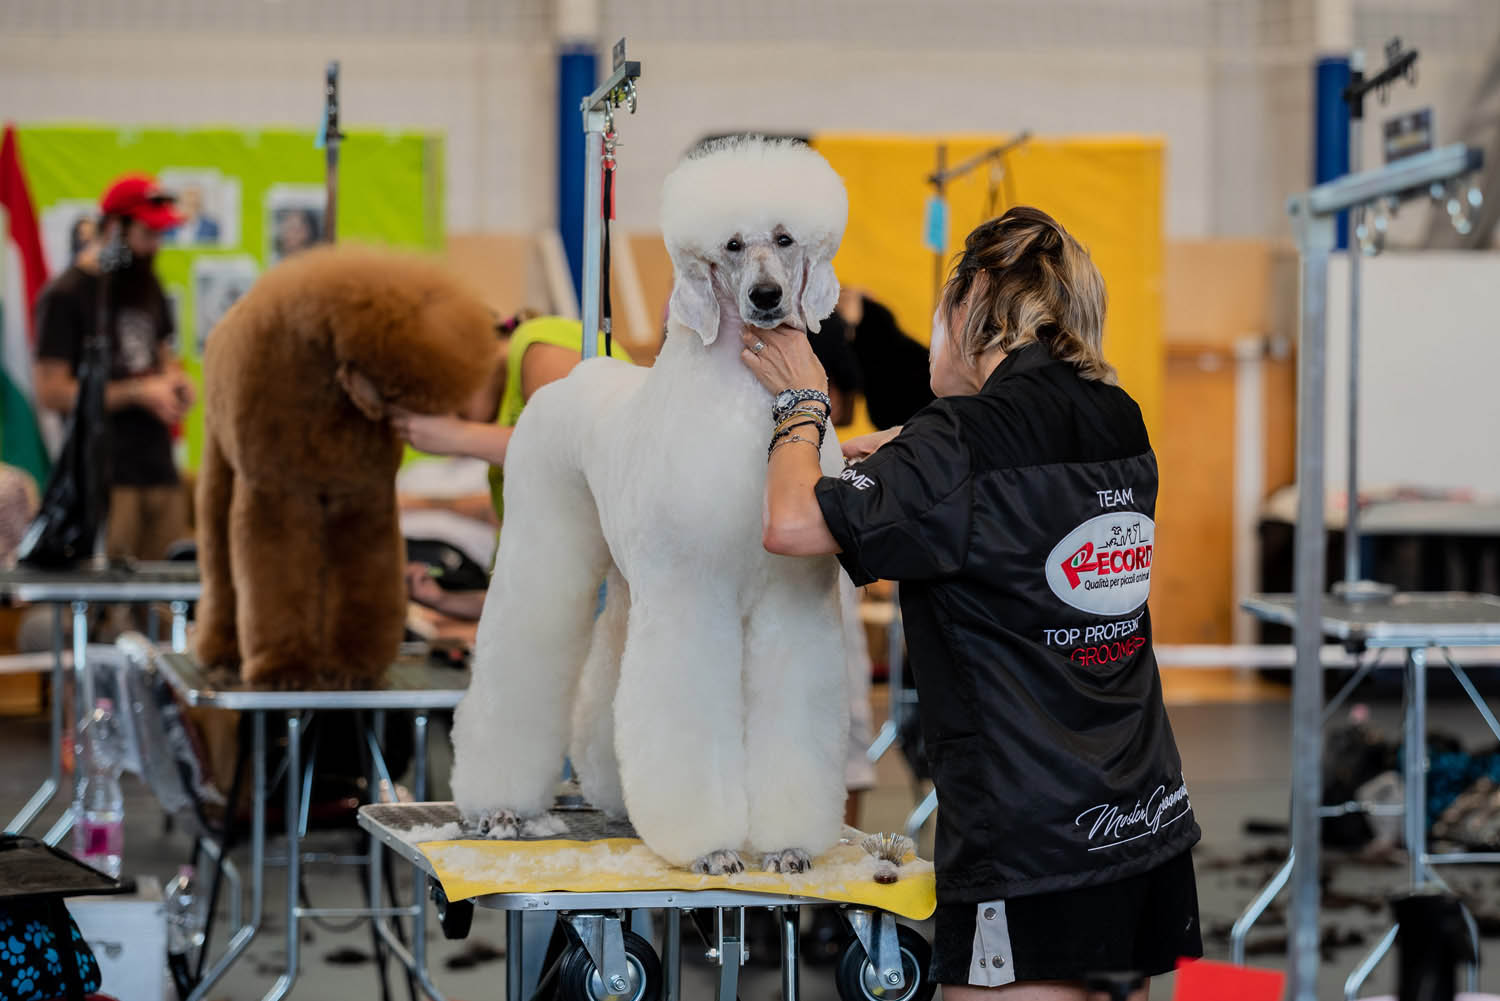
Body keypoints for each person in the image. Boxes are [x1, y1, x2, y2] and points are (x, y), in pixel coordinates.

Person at [740, 206, 1200, 999]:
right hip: (1142, 819)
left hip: (1030, 842)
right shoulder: (1114, 415)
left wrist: (801, 403)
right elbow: (1011, 496)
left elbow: (789, 523)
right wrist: (907, 447)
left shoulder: (957, 441)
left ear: (974, 301)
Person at [393, 314, 631, 620]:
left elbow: (581, 449)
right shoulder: (500, 456)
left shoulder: (537, 345)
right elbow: (532, 597)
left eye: (443, 400)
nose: (450, 415)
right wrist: (446, 601)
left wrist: (457, 436)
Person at [33, 174, 195, 565]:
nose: (155, 246)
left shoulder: (148, 285)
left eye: (160, 235)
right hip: (105, 477)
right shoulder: (67, 295)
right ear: (113, 228)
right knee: (108, 602)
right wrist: (138, 394)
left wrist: (175, 383)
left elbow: (163, 357)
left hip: (159, 469)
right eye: (146, 234)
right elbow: (52, 391)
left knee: (165, 599)